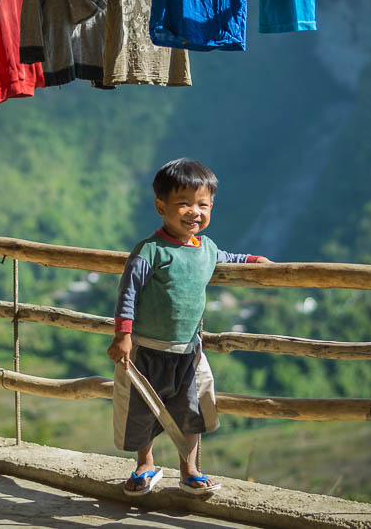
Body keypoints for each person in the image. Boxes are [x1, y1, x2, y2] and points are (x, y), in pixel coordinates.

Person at [107, 158, 270, 496]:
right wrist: (123, 336)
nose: (194, 212)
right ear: (160, 206)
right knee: (142, 410)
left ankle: (190, 470)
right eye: (184, 204)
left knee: (190, 412)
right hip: (147, 349)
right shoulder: (149, 251)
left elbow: (228, 257)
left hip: (188, 353)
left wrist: (254, 261)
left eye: (203, 204)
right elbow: (127, 293)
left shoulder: (206, 248)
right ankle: (145, 465)